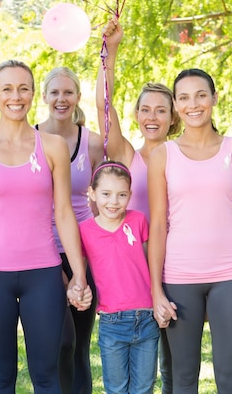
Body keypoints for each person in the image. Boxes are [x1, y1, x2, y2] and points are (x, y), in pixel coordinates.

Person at [0, 60, 92, 394]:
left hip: (43, 276)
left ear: (33, 93)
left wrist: (78, 273)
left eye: (23, 88)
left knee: (46, 376)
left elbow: (63, 213)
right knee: (0, 377)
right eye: (7, 88)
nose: (15, 96)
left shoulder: (52, 146)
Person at [148, 68, 232, 394]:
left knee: (229, 376)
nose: (193, 104)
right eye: (184, 97)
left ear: (214, 98)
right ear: (176, 104)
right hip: (179, 277)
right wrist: (156, 290)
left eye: (201, 95)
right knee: (184, 377)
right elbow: (158, 225)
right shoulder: (162, 155)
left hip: (231, 276)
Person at [96, 17, 181, 394]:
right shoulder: (127, 155)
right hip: (134, 273)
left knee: (174, 360)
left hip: (177, 264)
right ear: (136, 115)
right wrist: (109, 51)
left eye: (161, 110)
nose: (152, 117)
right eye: (145, 109)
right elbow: (102, 105)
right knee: (142, 364)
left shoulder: (182, 157)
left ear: (173, 117)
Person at [36, 66, 104, 394]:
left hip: (83, 254)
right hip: (40, 253)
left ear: (77, 96)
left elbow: (103, 196)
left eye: (68, 92)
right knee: (59, 344)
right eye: (54, 92)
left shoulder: (91, 143)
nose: (61, 99)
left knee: (78, 345)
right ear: (44, 96)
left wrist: (81, 268)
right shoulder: (29, 139)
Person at [79, 160, 159, 394]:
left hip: (146, 317)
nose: (113, 202)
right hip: (111, 322)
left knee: (144, 387)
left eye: (121, 195)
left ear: (130, 195)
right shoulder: (84, 231)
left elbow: (149, 263)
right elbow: (80, 273)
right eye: (106, 194)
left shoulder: (138, 221)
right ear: (92, 193)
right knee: (116, 388)